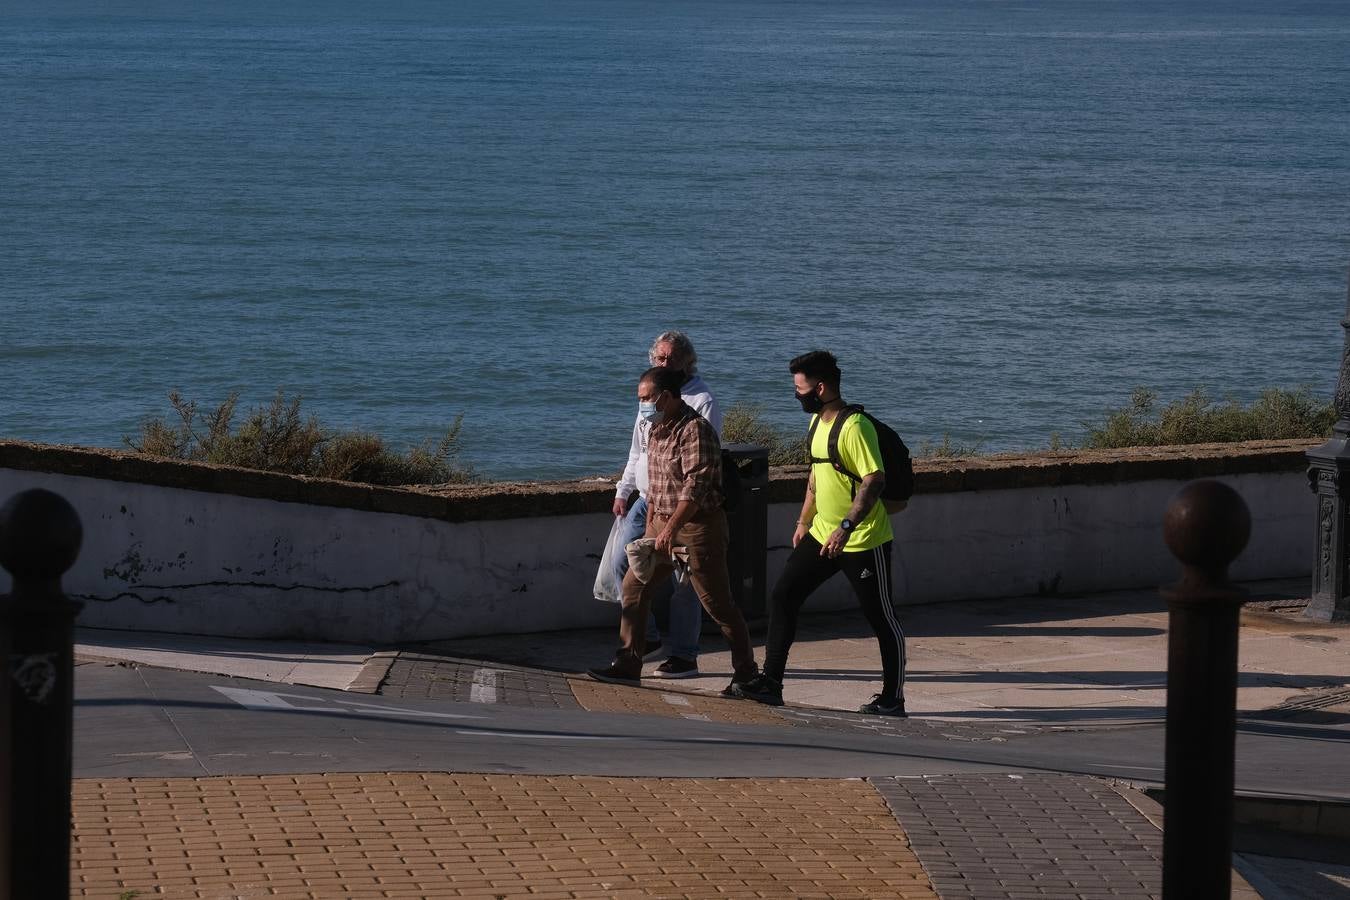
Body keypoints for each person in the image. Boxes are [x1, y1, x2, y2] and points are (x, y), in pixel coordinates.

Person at [733, 350, 908, 716]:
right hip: (821, 535)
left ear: (822, 387)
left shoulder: (855, 426)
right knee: (783, 596)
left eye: (800, 389)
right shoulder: (817, 424)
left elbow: (874, 480)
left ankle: (893, 698)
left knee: (881, 617)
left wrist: (846, 527)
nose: (797, 395)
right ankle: (771, 684)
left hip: (862, 539)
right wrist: (802, 522)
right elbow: (816, 477)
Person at [588, 366, 758, 691]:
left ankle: (747, 671)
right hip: (660, 522)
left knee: (717, 603)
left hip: (697, 529)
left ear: (666, 397)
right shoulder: (655, 429)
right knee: (634, 588)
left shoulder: (696, 430)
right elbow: (654, 483)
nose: (641, 405)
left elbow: (695, 488)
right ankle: (627, 662)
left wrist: (671, 529)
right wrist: (653, 525)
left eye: (646, 398)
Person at [607, 331, 720, 678]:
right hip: (648, 499)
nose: (665, 363)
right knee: (621, 564)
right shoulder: (648, 398)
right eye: (660, 357)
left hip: (683, 506)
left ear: (688, 361)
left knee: (686, 585)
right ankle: (648, 638)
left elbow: (701, 465)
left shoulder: (701, 401)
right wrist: (623, 490)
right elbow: (638, 452)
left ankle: (685, 656)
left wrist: (675, 522)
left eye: (671, 358)